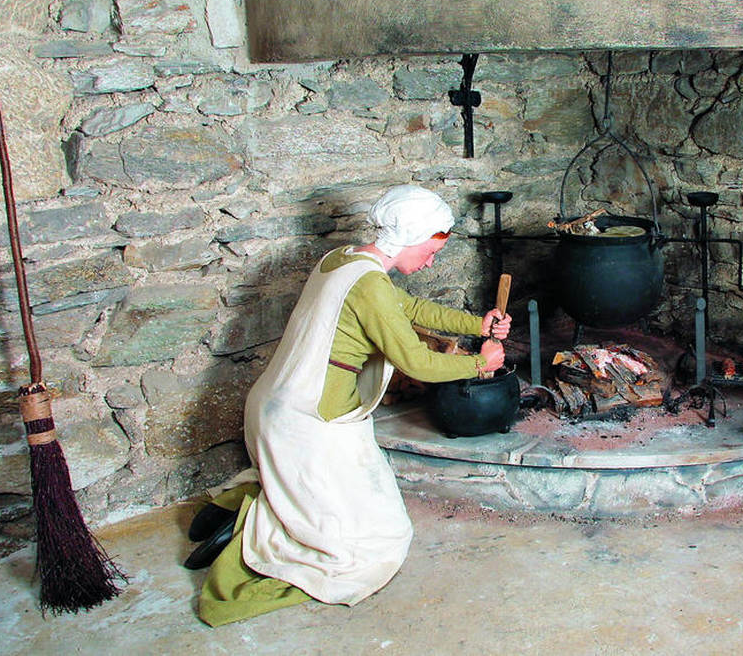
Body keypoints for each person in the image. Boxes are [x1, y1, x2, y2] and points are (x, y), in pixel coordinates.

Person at [189, 185, 511, 626]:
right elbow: (415, 361)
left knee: (357, 509)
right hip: (309, 426)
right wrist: (480, 363)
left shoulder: (344, 260)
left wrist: (477, 322)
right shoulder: (371, 286)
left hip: (277, 405)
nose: (432, 260)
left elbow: (412, 308)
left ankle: (246, 512)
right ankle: (248, 531)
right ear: (411, 236)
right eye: (432, 248)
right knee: (373, 550)